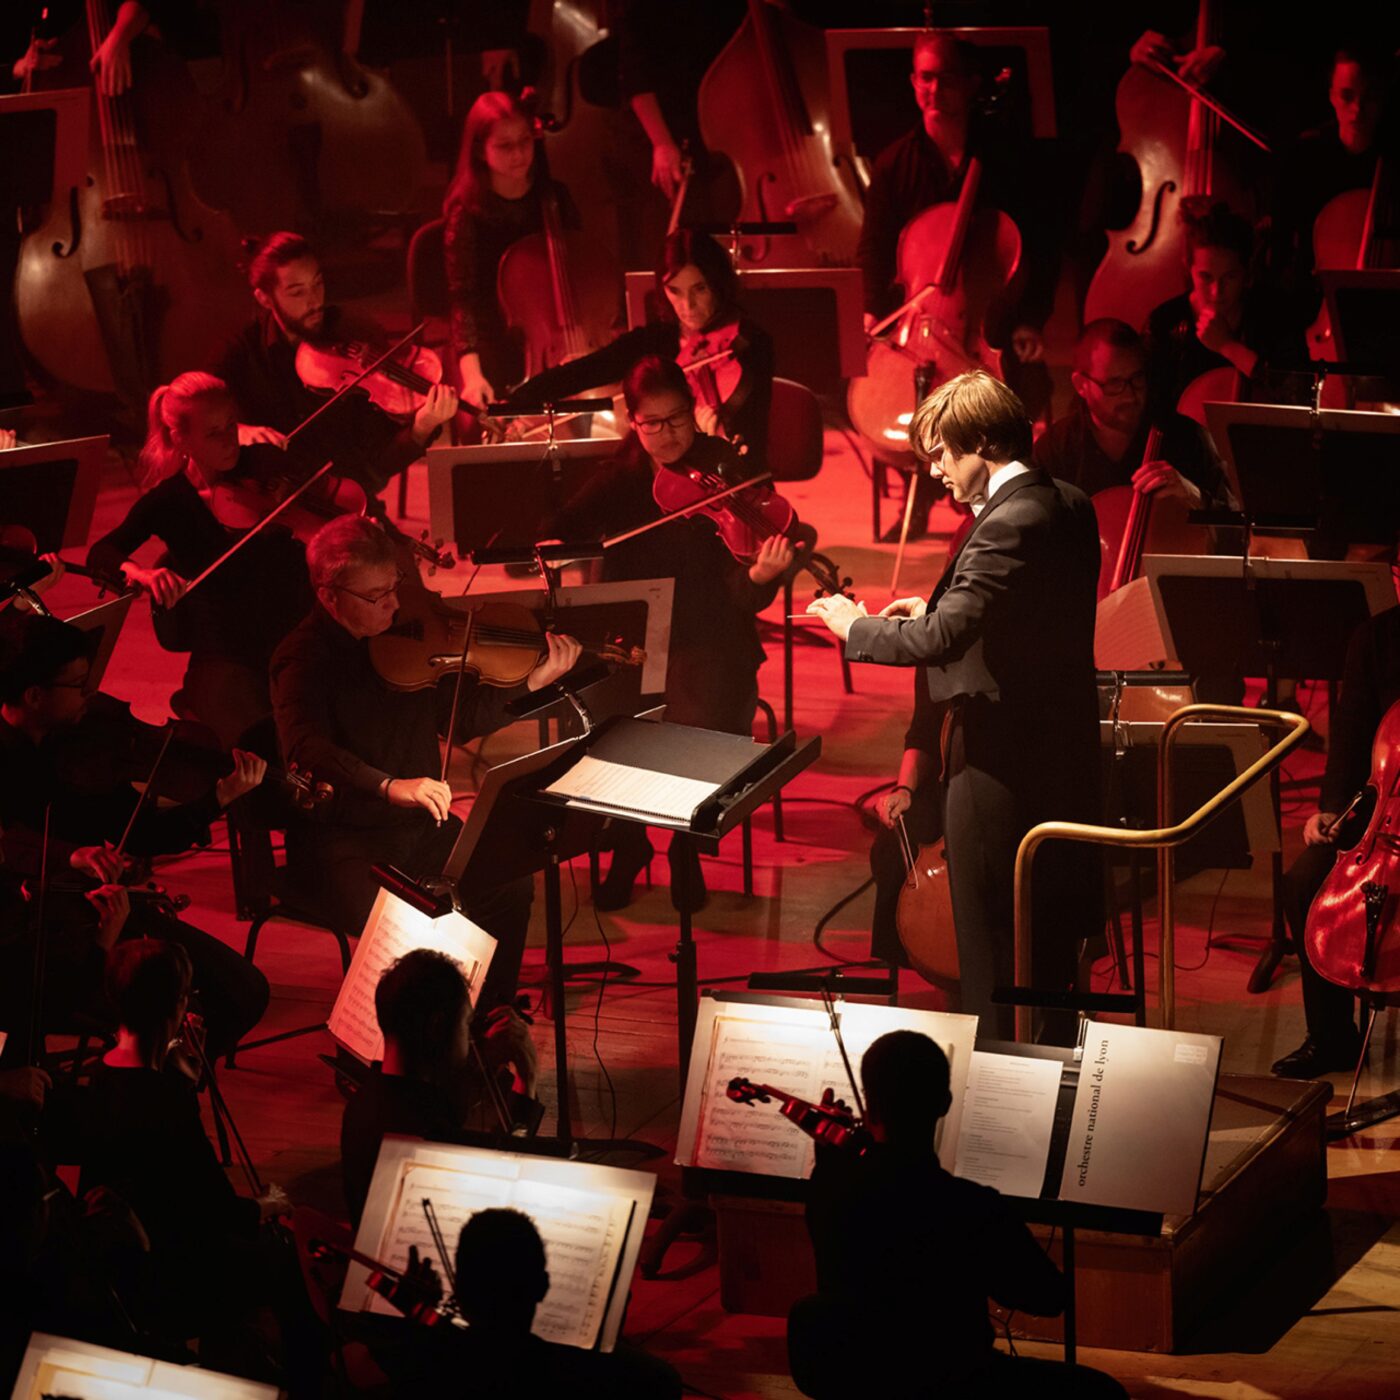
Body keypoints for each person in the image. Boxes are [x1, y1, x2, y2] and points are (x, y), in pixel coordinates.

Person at [808, 372, 1102, 1043]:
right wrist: (933, 606)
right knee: (1045, 956)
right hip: (1058, 759)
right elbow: (1022, 624)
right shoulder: (1069, 503)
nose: (935, 470)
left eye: (943, 453)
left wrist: (857, 628)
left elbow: (946, 638)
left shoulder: (1012, 520)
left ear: (986, 445)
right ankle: (1047, 1091)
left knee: (990, 955)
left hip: (1001, 765)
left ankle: (998, 1104)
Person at [270, 515, 580, 1007]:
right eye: (376, 596)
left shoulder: (408, 634)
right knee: (415, 925)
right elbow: (305, 748)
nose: (394, 603)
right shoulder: (302, 660)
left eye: (395, 585)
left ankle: (492, 1019)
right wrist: (391, 785)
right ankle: (412, 1043)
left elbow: (460, 722)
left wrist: (532, 683)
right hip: (345, 843)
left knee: (509, 887)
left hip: (419, 828)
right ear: (330, 596)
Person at [549, 355, 794, 911]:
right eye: (651, 423)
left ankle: (686, 844)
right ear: (632, 421)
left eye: (678, 418)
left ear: (694, 411)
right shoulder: (622, 476)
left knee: (700, 719)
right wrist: (556, 550)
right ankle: (628, 844)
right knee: (606, 724)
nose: (667, 434)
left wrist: (759, 575)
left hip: (710, 634)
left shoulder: (728, 470)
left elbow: (741, 594)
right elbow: (558, 530)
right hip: (631, 637)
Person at [791, 1030, 1128, 1398]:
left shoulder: (830, 1191)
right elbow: (1048, 1298)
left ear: (870, 1110)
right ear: (945, 1104)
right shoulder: (971, 1206)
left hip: (858, 1380)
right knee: (1101, 1392)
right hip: (958, 1384)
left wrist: (829, 1162)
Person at [0, 611, 270, 1059]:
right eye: (78, 685)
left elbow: (146, 832)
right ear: (34, 695)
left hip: (108, 914)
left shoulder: (79, 752)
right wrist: (72, 856)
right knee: (214, 996)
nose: (91, 694)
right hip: (46, 947)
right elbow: (9, 848)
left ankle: (165, 1078)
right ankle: (135, 1079)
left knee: (244, 991)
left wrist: (220, 795)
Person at [80, 939, 291, 1355]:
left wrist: (181, 1081)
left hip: (115, 1261)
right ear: (177, 1006)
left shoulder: (96, 1077)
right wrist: (268, 1203)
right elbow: (218, 1207)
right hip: (167, 1270)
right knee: (284, 1258)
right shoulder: (167, 1103)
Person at [86, 371, 314, 747]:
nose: (230, 441)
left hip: (294, 638)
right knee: (264, 746)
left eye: (231, 425)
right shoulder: (169, 502)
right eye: (214, 433)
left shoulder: (263, 468)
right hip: (227, 655)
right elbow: (103, 553)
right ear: (181, 439)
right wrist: (141, 574)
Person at [857, 31, 1057, 422]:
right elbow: (873, 247)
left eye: (946, 79)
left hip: (992, 326)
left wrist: (1032, 318)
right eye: (925, 78)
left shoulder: (1007, 159)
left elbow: (1041, 241)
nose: (934, 89)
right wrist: (870, 311)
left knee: (1020, 400)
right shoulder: (893, 164)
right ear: (913, 81)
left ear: (971, 84)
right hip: (917, 330)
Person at [212, 231, 459, 494]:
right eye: (297, 292)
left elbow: (379, 463)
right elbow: (189, 408)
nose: (315, 300)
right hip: (273, 501)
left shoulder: (355, 335)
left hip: (346, 499)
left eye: (318, 284)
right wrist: (238, 431)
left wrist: (422, 427)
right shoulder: (243, 350)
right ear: (264, 298)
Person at [511, 228, 776, 461]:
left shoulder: (750, 343)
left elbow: (754, 441)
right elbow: (586, 371)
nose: (687, 306)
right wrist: (514, 403)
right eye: (675, 291)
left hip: (730, 474)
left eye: (700, 289)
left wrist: (705, 438)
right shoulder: (656, 341)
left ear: (718, 284)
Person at [1275, 606, 1400, 1077]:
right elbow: (1350, 735)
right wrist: (1331, 809)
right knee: (1305, 882)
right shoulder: (1378, 637)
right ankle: (1332, 1038)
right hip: (1387, 812)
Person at [340, 949, 540, 1227]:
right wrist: (526, 1080)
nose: (471, 1037)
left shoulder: (364, 1100)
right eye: (466, 1024)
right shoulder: (430, 1134)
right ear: (437, 1027)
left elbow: (430, 1097)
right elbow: (501, 1186)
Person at [398, 1207, 682, 1399]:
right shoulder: (594, 1376)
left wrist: (417, 1322)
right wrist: (605, 1340)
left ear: (457, 1289)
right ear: (543, 1286)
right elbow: (662, 1380)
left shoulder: (424, 1369)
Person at [442, 91, 582, 412]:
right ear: (479, 150)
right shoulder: (466, 214)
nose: (519, 154)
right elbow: (463, 301)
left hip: (562, 338)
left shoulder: (555, 197)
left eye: (525, 141)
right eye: (505, 146)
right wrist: (473, 376)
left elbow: (582, 275)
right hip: (494, 346)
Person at [1144, 201, 1309, 420]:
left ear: (1246, 273)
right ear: (1188, 268)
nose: (1216, 291)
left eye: (1229, 277)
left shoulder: (1275, 314)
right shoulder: (1165, 323)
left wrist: (1228, 347)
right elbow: (1152, 409)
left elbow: (1299, 394)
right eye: (1206, 277)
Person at [1033, 318, 1225, 505]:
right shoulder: (1054, 450)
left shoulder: (1187, 437)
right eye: (1114, 383)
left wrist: (1195, 496)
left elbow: (1236, 522)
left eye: (1137, 378)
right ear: (1081, 385)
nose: (1130, 395)